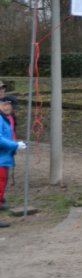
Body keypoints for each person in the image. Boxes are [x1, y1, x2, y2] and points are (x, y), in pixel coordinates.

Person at [0, 97, 26, 227]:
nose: (10, 109)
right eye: (8, 106)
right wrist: (15, 145)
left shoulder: (6, 118)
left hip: (4, 159)